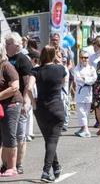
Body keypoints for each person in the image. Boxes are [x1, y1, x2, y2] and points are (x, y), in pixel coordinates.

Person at [31, 45, 67, 182]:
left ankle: (56, 167)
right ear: (53, 55)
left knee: (49, 140)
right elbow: (63, 85)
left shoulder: (36, 71)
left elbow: (29, 87)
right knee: (52, 141)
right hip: (56, 108)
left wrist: (33, 103)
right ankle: (46, 171)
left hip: (40, 109)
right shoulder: (60, 69)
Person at [5, 32, 33, 175]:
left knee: (19, 134)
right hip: (5, 103)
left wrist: (26, 102)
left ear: (16, 45)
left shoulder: (23, 60)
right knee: (7, 135)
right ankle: (7, 164)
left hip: (19, 102)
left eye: (8, 43)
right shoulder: (4, 59)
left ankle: (19, 164)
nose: (5, 45)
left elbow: (28, 83)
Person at [0, 42, 23, 177]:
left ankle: (12, 167)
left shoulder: (7, 66)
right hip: (1, 105)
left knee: (9, 135)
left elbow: (15, 87)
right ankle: (5, 165)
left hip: (12, 104)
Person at [73, 51, 97, 138]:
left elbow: (94, 79)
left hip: (89, 92)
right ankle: (85, 129)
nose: (84, 59)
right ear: (79, 58)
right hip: (80, 92)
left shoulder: (91, 68)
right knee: (81, 112)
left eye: (86, 57)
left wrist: (85, 79)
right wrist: (87, 79)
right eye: (82, 57)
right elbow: (78, 79)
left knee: (86, 112)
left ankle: (84, 128)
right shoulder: (77, 68)